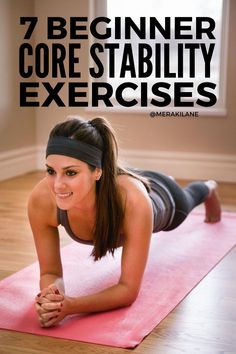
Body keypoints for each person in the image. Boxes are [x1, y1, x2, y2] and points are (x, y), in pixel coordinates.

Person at [28, 116, 221, 328]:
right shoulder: (41, 200)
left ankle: (209, 187)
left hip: (162, 197)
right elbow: (50, 272)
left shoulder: (134, 201)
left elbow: (128, 289)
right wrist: (51, 299)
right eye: (50, 171)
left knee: (189, 198)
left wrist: (71, 306)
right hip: (121, 181)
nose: (57, 185)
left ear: (97, 171)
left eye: (71, 172)